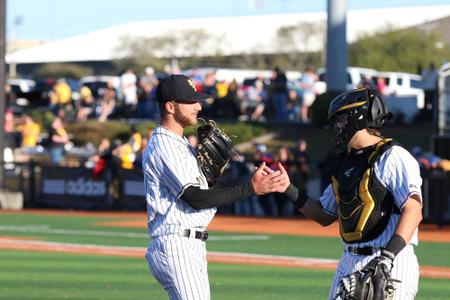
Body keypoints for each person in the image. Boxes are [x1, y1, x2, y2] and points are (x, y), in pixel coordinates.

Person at [142, 74, 289, 300]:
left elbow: (199, 193)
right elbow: (195, 198)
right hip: (177, 244)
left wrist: (210, 178)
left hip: (187, 243)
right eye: (191, 102)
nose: (198, 107)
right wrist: (249, 188)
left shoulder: (178, 143)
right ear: (170, 107)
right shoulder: (165, 144)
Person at [282, 88, 423, 299]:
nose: (335, 126)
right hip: (349, 260)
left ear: (357, 117)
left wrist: (387, 257)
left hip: (390, 260)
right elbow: (324, 213)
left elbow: (413, 210)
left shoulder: (393, 156)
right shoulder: (345, 162)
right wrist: (287, 188)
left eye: (340, 119)